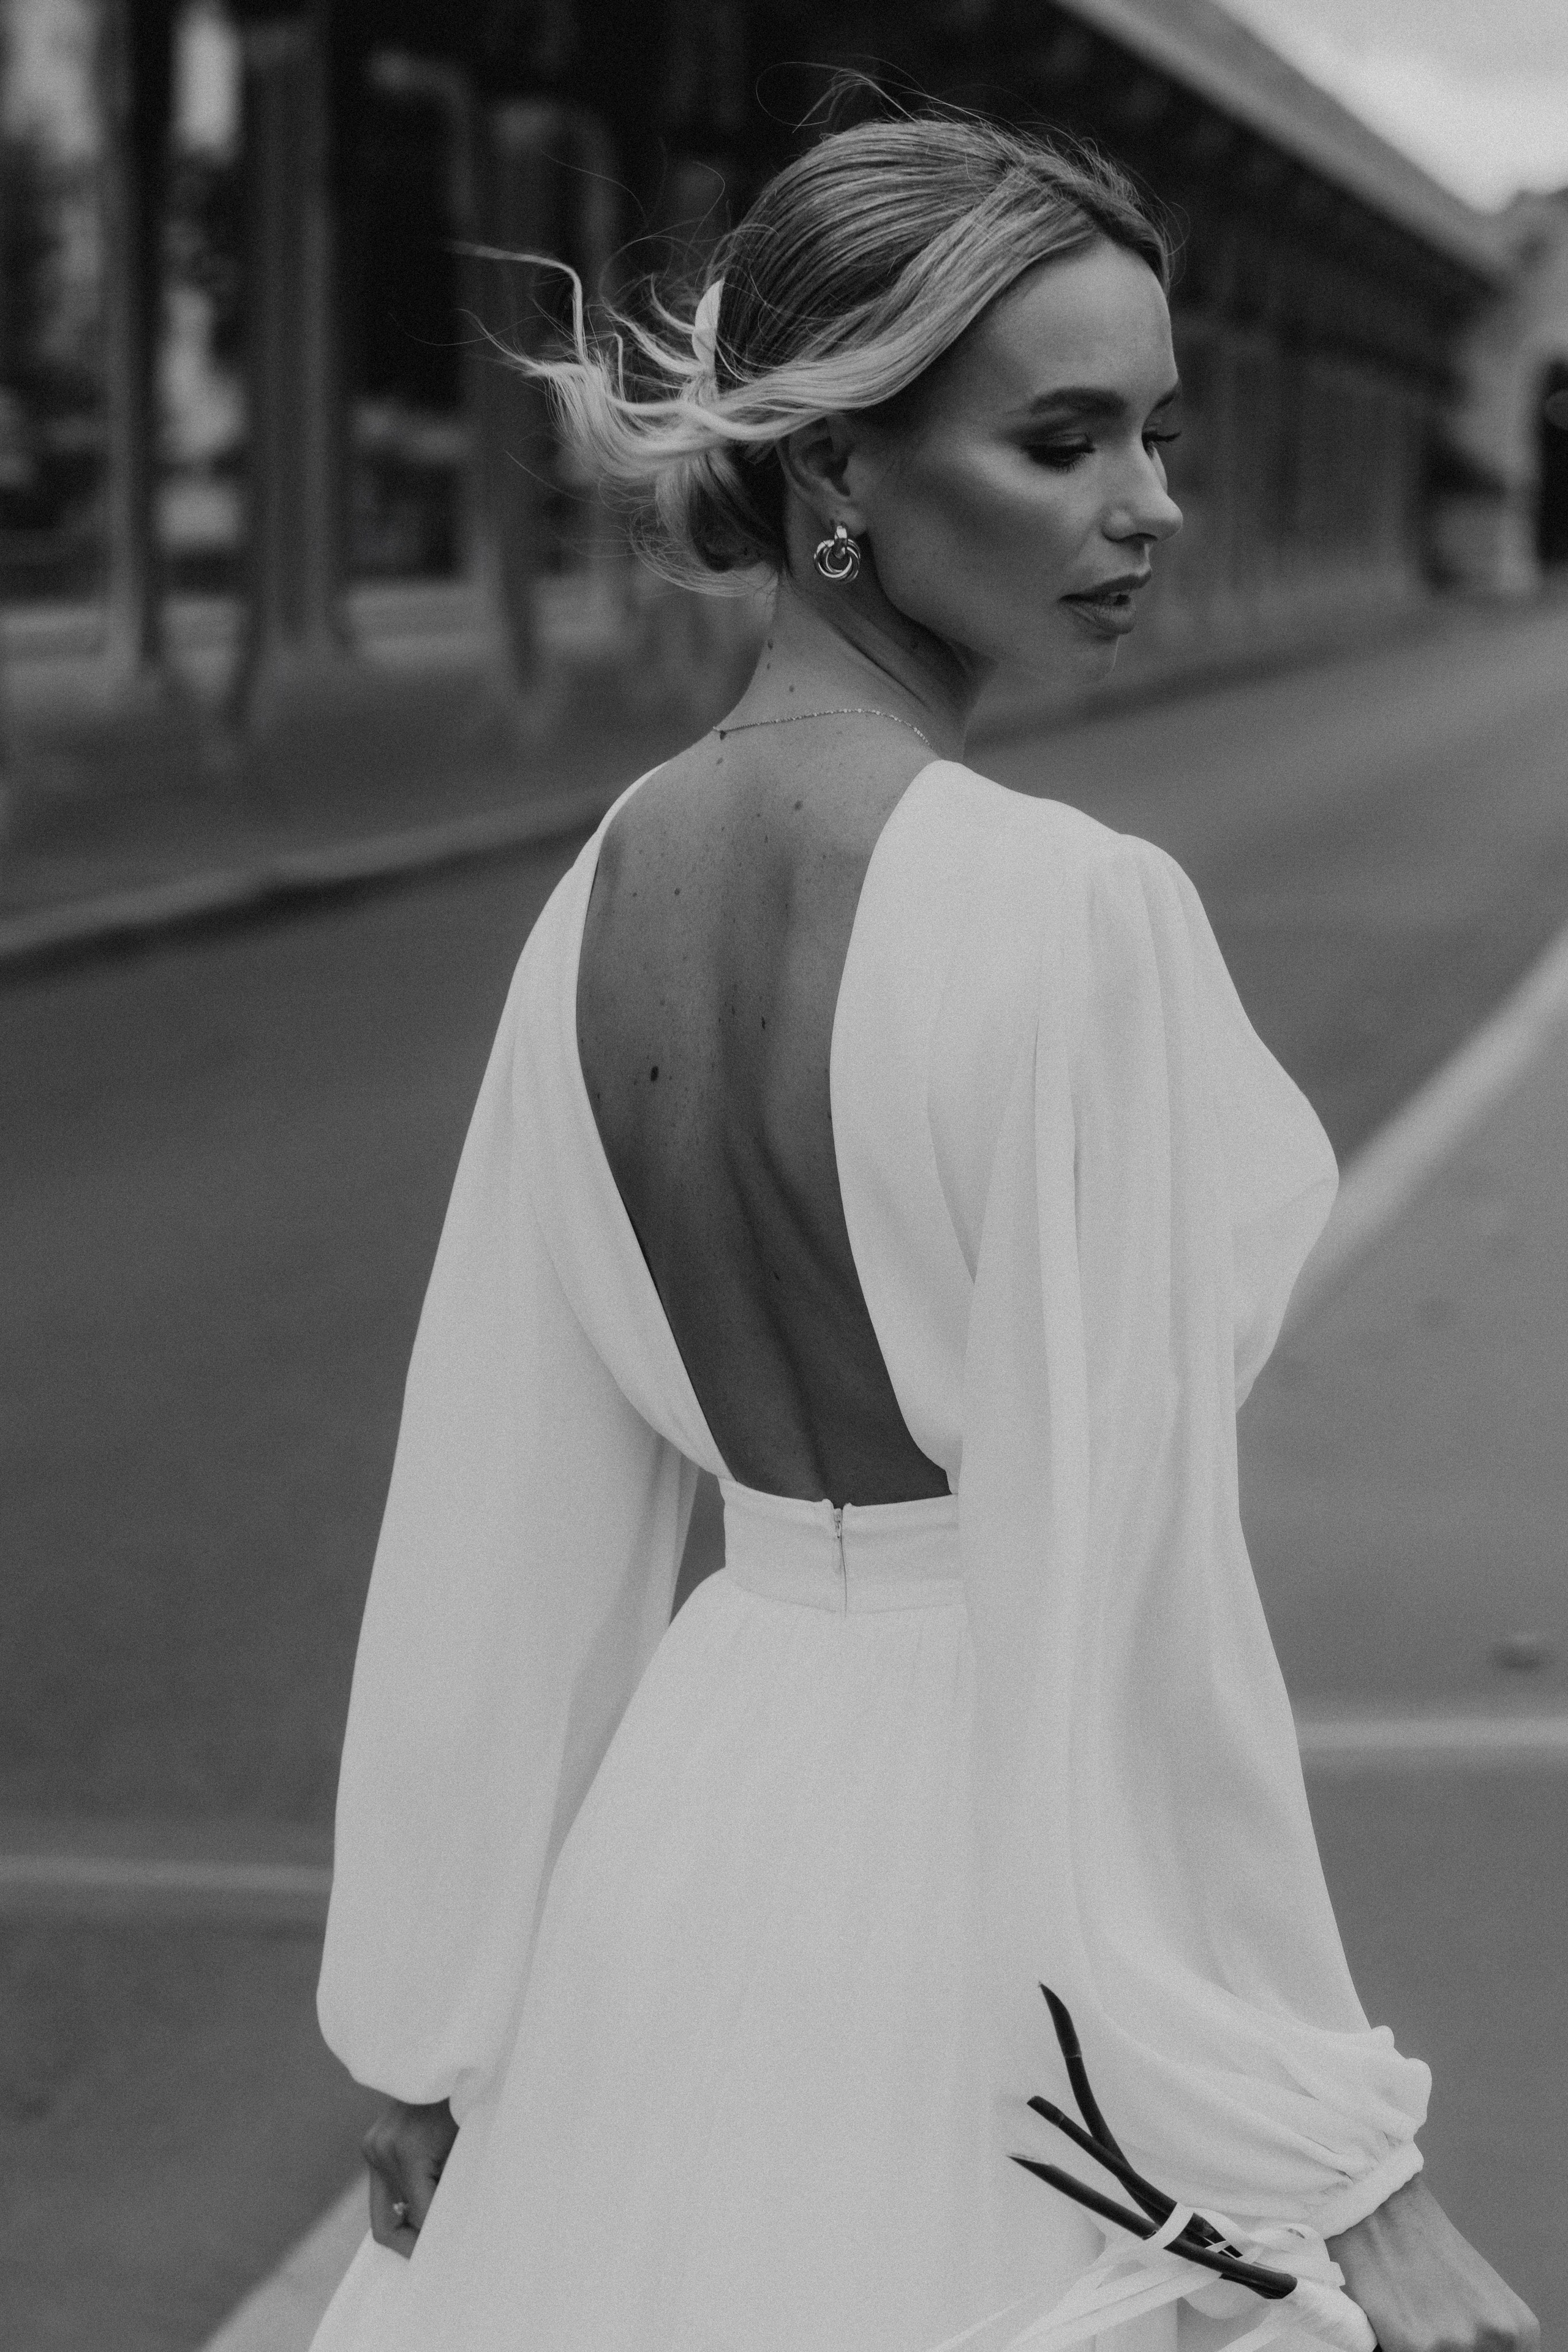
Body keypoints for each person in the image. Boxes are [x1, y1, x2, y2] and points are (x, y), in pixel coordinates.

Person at [309, 101, 1538, 2352]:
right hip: (990, 1887)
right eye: (1063, 442)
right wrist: (1353, 2188)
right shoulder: (1073, 914)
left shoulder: (604, 889)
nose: (1147, 509)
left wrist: (436, 2015)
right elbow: (1137, 1614)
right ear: (839, 473)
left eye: (1157, 433)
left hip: (683, 1854)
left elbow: (508, 1499)